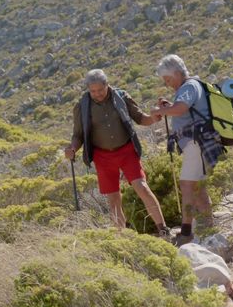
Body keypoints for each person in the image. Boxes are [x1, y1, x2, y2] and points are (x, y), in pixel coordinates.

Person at [63, 69, 169, 235]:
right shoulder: (82, 106)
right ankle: (121, 238)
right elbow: (78, 135)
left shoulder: (121, 97)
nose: (97, 94)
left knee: (142, 188)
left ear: (107, 85)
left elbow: (140, 118)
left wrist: (154, 118)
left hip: (126, 150)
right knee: (113, 199)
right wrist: (72, 149)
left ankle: (163, 229)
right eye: (93, 91)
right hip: (102, 156)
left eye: (100, 90)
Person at [150, 54, 215, 246]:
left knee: (187, 185)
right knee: (198, 187)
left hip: (196, 143)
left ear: (177, 73)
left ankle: (186, 233)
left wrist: (160, 111)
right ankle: (208, 227)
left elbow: (181, 109)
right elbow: (182, 109)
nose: (168, 83)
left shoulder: (188, 86)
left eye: (168, 79)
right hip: (200, 143)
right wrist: (169, 107)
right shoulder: (193, 86)